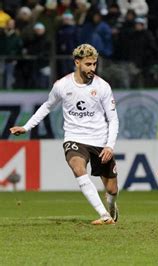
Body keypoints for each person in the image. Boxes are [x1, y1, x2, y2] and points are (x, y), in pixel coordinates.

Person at [9, 44, 119, 225]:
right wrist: (27, 127)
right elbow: (47, 106)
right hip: (74, 138)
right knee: (78, 168)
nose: (92, 68)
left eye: (94, 64)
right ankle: (104, 215)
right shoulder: (62, 85)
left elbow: (113, 119)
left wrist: (109, 145)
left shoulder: (103, 87)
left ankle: (112, 207)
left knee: (112, 189)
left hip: (99, 140)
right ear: (77, 62)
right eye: (88, 64)